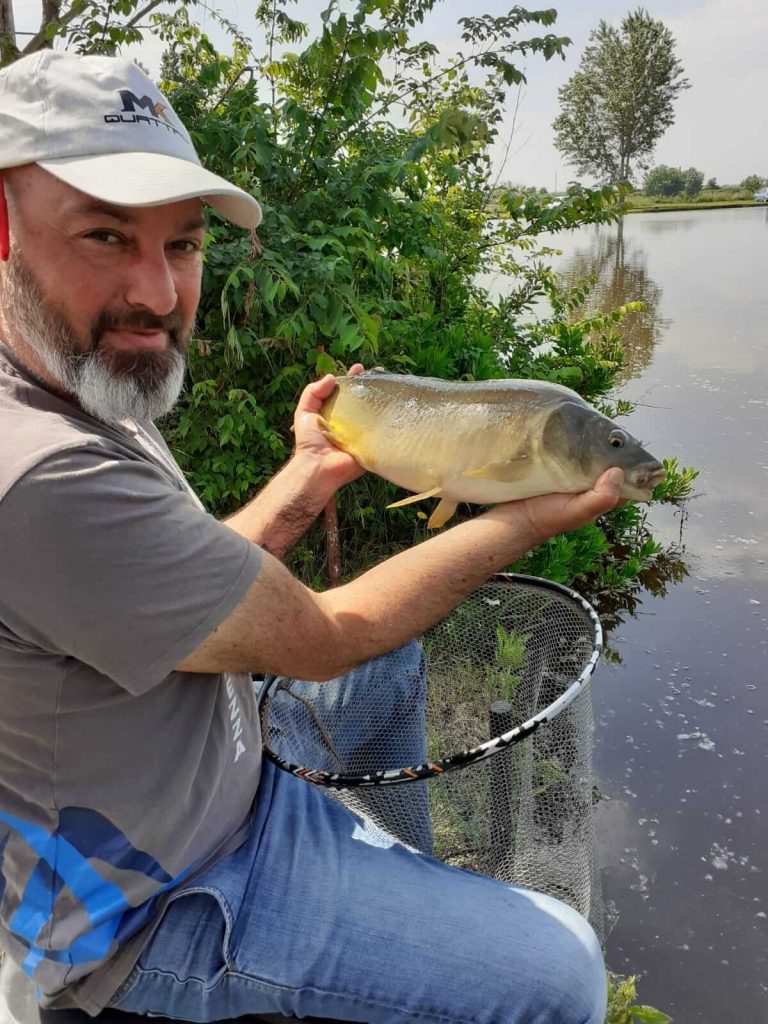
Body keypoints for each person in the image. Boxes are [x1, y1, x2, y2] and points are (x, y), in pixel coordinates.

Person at [0, 50, 622, 1024]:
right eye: (105, 235)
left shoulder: (70, 368)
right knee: (562, 974)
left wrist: (307, 476)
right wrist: (527, 515)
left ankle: (410, 901)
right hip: (153, 902)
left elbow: (187, 588)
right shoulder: (41, 470)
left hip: (210, 757)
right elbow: (324, 634)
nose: (159, 293)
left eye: (183, 244)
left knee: (398, 664)